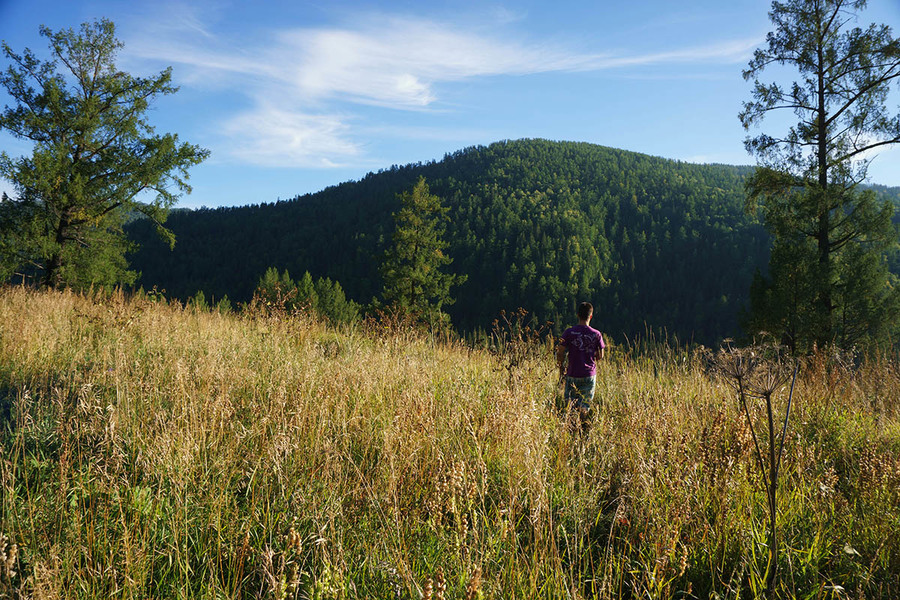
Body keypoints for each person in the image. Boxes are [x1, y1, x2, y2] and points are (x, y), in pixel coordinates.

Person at [557, 301, 606, 431]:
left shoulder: (569, 332)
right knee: (584, 406)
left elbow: (560, 352)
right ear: (591, 316)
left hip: (572, 373)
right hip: (589, 375)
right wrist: (590, 355)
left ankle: (571, 432)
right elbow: (601, 355)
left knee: (570, 406)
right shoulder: (596, 334)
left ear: (577, 315)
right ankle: (584, 432)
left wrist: (561, 369)